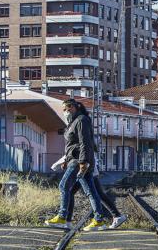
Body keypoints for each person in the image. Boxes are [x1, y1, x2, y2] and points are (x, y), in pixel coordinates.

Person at [45, 99, 111, 231]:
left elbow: (84, 143)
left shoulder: (81, 120)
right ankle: (98, 220)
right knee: (90, 191)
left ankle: (62, 217)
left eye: (68, 109)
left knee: (63, 185)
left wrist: (83, 162)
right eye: (64, 110)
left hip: (79, 161)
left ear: (75, 108)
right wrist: (66, 160)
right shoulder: (72, 123)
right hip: (74, 160)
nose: (66, 112)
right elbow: (72, 146)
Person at [50, 155, 127, 229]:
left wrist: (56, 164)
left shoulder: (81, 142)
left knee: (81, 192)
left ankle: (98, 219)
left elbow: (76, 152)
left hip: (83, 168)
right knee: (93, 193)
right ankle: (116, 216)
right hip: (87, 167)